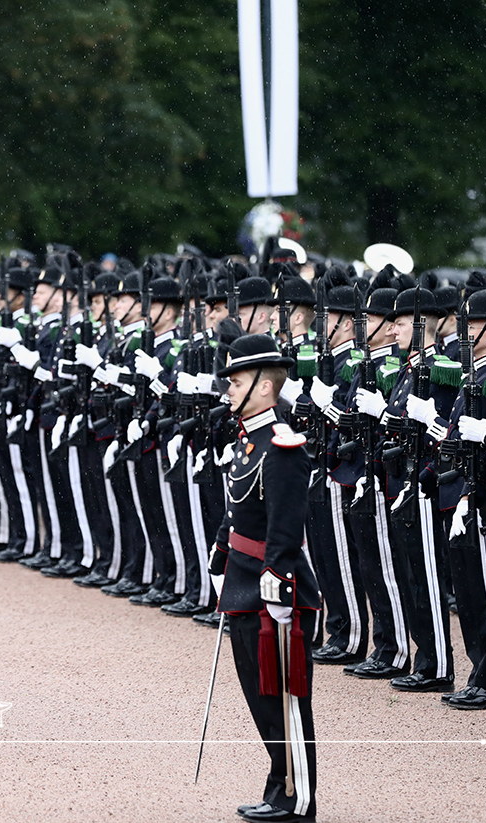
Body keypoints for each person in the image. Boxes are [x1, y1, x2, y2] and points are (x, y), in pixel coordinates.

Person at [210, 333, 319, 823]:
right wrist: (219, 554)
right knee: (261, 698)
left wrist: (277, 578)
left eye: (236, 381)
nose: (229, 389)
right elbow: (239, 512)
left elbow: (285, 524)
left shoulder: (283, 446)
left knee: (287, 700)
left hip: (276, 592)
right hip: (242, 584)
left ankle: (299, 799)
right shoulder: (247, 441)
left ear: (264, 386)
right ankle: (278, 786)